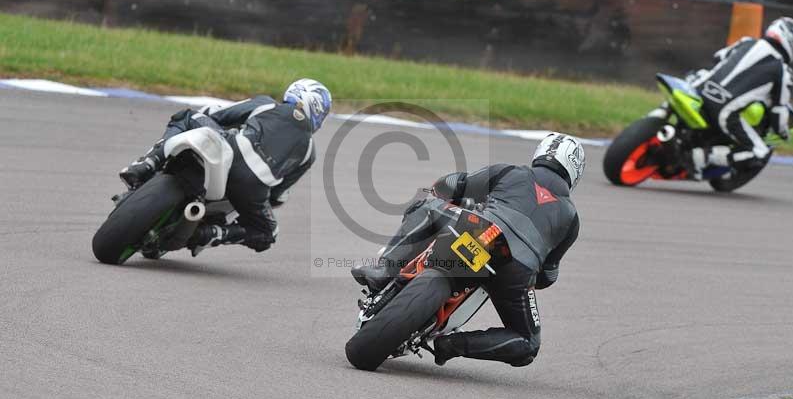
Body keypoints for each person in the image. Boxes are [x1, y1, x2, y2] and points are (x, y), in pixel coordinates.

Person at [352, 133, 584, 367]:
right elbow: (547, 276)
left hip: (478, 229)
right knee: (528, 342)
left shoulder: (510, 171)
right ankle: (452, 344)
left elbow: (452, 185)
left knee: (427, 205)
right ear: (575, 172)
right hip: (517, 269)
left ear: (541, 152)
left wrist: (443, 194)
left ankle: (385, 269)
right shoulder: (572, 219)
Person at [119, 78, 332, 253]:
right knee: (268, 233)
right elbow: (277, 195)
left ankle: (145, 165)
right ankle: (213, 233)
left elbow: (217, 115)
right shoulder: (309, 153)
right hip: (252, 190)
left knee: (187, 116)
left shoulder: (267, 105)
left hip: (230, 154)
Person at [685, 16, 793, 179]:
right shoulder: (783, 71)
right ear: (790, 41)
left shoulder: (747, 42)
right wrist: (782, 131)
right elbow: (779, 108)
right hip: (724, 111)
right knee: (759, 152)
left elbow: (718, 57)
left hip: (699, 89)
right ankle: (701, 156)